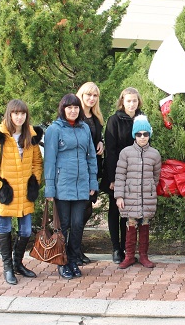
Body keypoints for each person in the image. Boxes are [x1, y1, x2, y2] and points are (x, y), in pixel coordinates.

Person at [0, 99, 43, 285]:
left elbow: (37, 162)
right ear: (9, 114)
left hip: (25, 192)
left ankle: (17, 263)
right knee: (5, 229)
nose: (19, 117)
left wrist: (35, 181)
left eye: (22, 113)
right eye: (16, 113)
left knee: (26, 230)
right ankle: (7, 267)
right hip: (6, 193)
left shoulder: (30, 135)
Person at [44, 94, 98, 280]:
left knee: (77, 225)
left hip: (82, 185)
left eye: (76, 107)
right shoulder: (54, 129)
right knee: (63, 225)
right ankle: (62, 261)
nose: (73, 111)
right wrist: (49, 188)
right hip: (62, 186)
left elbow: (91, 157)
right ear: (63, 109)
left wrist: (93, 182)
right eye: (69, 107)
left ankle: (73, 259)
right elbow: (49, 160)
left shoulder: (84, 128)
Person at [101, 87, 143, 264]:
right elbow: (110, 151)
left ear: (138, 102)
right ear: (122, 102)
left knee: (129, 212)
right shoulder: (114, 120)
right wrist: (112, 178)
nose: (132, 104)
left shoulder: (142, 119)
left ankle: (127, 247)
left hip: (135, 173)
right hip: (117, 171)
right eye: (128, 101)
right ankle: (116, 248)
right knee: (115, 210)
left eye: (134, 100)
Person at [114, 115, 162, 269]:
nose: (142, 137)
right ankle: (129, 256)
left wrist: (150, 188)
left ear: (149, 135)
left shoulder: (155, 154)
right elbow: (120, 176)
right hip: (130, 196)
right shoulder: (125, 153)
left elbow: (156, 176)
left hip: (146, 197)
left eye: (145, 134)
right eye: (139, 134)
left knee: (145, 226)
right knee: (130, 225)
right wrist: (119, 196)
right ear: (134, 135)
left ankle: (143, 255)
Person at [76, 81, 105, 265]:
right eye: (88, 95)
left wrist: (101, 142)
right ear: (81, 95)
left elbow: (96, 138)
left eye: (95, 96)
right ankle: (73, 250)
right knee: (79, 210)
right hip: (80, 170)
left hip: (93, 169)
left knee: (86, 210)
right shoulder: (75, 116)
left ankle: (76, 248)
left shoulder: (96, 117)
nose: (92, 98)